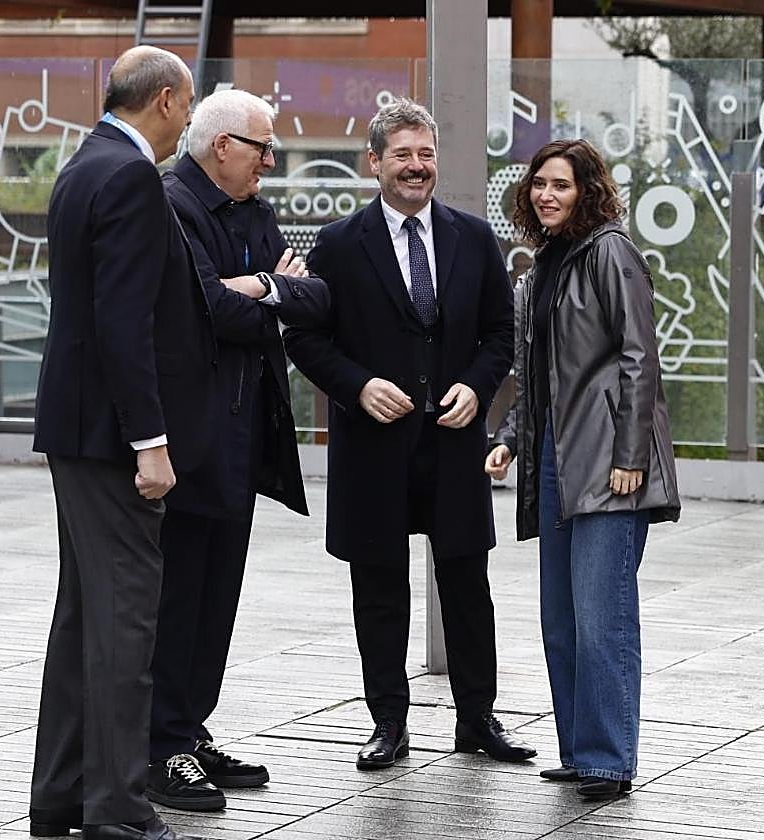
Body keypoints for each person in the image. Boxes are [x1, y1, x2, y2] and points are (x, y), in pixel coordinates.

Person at [284, 98, 535, 770]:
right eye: (402, 155)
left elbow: (500, 334)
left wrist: (478, 388)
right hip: (373, 447)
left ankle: (478, 719)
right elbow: (305, 338)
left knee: (467, 587)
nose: (416, 167)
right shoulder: (338, 245)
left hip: (453, 444)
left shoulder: (473, 237)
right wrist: (358, 385)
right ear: (375, 164)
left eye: (425, 154)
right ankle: (387, 724)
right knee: (379, 588)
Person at [29, 46, 213, 840]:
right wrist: (152, 442)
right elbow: (123, 324)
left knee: (84, 618)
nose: (189, 119)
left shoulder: (84, 164)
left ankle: (63, 795)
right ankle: (118, 811)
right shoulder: (133, 176)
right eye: (191, 106)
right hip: (112, 438)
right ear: (168, 101)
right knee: (126, 624)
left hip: (76, 430)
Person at [146, 89, 330, 811]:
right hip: (190, 440)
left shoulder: (250, 208)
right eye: (263, 146)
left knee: (217, 599)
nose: (272, 159)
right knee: (180, 597)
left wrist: (259, 287)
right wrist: (273, 292)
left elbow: (315, 299)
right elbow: (202, 312)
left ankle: (189, 732)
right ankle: (161, 747)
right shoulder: (174, 206)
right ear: (222, 145)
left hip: (244, 437)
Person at [484, 139, 681, 801]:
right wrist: (510, 436)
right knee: (562, 619)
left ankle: (607, 759)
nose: (546, 195)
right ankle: (579, 749)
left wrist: (630, 456)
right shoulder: (544, 266)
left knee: (604, 619)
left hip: (607, 461)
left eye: (561, 185)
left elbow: (639, 358)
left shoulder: (609, 252)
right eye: (539, 183)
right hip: (554, 461)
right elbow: (536, 374)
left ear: (587, 191)